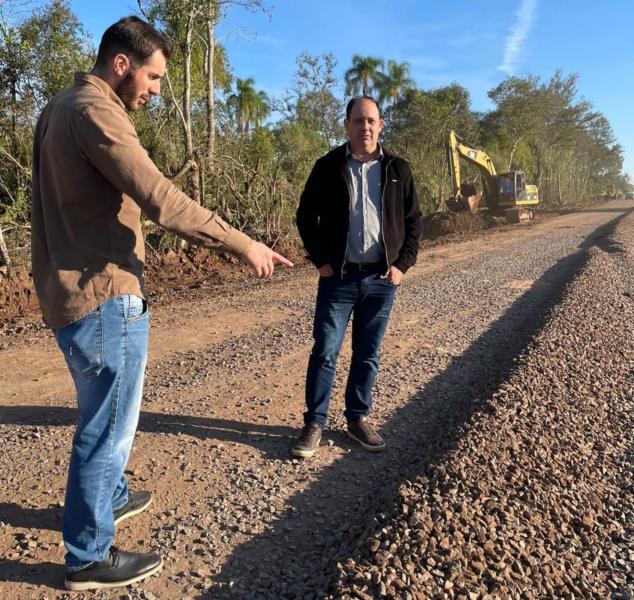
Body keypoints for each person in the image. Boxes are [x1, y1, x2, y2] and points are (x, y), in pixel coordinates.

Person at [31, 16, 292, 591]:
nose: (155, 90)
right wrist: (243, 242)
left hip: (69, 291)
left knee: (102, 415)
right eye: (152, 77)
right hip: (103, 293)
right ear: (121, 64)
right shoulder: (97, 112)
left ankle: (112, 497)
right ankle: (88, 556)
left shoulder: (57, 106)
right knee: (107, 428)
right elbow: (161, 199)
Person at [292, 96, 422, 458]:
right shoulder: (328, 167)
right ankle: (314, 423)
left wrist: (401, 266)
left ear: (381, 125)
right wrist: (320, 261)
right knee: (325, 352)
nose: (365, 127)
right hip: (338, 279)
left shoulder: (399, 169)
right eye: (358, 120)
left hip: (382, 281)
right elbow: (305, 217)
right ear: (346, 125)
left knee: (368, 353)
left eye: (372, 121)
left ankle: (357, 419)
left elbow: (414, 223)